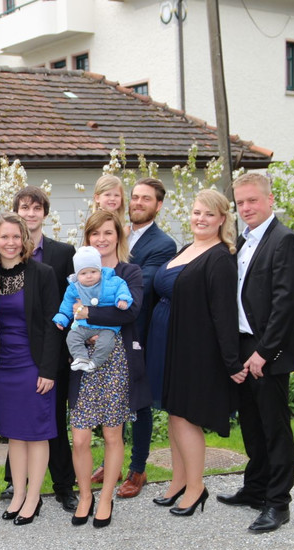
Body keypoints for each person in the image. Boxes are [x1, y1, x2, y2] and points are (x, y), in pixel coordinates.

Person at [218, 172, 294, 533]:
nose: (246, 207)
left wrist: (264, 352)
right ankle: (256, 488)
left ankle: (278, 503)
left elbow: (286, 303)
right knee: (251, 425)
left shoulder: (285, 241)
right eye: (240, 202)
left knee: (274, 428)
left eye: (252, 200)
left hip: (269, 349)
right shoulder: (242, 240)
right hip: (243, 345)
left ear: (270, 200)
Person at [150, 189, 245, 516]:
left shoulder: (220, 257)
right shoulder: (187, 248)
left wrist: (231, 360)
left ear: (222, 219)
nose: (200, 219)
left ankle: (196, 487)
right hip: (167, 342)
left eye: (209, 214)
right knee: (173, 414)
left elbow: (224, 312)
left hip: (194, 347)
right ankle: (178, 482)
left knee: (185, 416)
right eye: (196, 212)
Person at [98, 178, 177, 497]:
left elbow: (136, 289)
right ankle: (111, 463)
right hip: (105, 333)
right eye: (135, 197)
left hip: (138, 333)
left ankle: (138, 469)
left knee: (138, 404)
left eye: (146, 198)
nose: (138, 203)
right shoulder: (116, 233)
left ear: (159, 205)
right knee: (110, 399)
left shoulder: (162, 244)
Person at [68, 210, 147, 528]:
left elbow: (130, 313)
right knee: (80, 437)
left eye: (108, 233)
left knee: (113, 434)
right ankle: (85, 496)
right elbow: (68, 310)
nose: (101, 239)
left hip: (117, 362)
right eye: (95, 233)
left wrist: (88, 313)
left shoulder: (130, 272)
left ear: (118, 236)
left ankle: (105, 498)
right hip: (83, 364)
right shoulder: (77, 273)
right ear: (87, 238)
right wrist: (87, 316)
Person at [8, 186, 78, 512]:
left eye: (37, 208)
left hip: (53, 351)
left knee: (54, 420)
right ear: (16, 212)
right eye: (24, 207)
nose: (30, 213)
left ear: (45, 214)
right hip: (17, 353)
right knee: (18, 421)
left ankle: (64, 486)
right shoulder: (4, 254)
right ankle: (16, 483)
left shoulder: (63, 253)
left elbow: (71, 301)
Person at [0, 213, 61, 525]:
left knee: (37, 433)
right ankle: (18, 494)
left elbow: (54, 324)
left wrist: (48, 369)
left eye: (16, 236)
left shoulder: (42, 273)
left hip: (34, 365)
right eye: (4, 236)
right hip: (3, 366)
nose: (10, 242)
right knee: (15, 435)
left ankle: (34, 497)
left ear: (25, 239)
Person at [53, 246, 133, 373]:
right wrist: (62, 317)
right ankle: (81, 358)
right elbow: (67, 304)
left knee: (106, 344)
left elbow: (122, 288)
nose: (89, 276)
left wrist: (123, 299)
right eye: (83, 273)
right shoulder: (74, 288)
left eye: (93, 272)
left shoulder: (112, 281)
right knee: (72, 337)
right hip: (84, 325)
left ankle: (95, 362)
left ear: (100, 270)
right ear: (77, 274)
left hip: (107, 326)